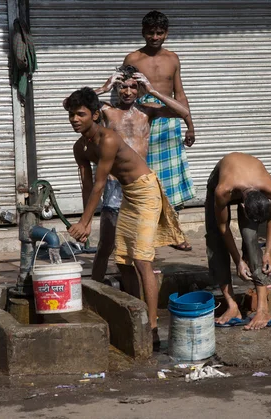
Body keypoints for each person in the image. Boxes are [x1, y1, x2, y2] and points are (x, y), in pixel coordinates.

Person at [64, 87, 186, 348]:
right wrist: (85, 222)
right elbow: (87, 186)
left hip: (144, 190)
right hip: (127, 193)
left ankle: (152, 328)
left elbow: (99, 185)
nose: (75, 119)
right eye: (72, 115)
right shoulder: (80, 147)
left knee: (142, 259)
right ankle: (135, 312)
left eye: (80, 114)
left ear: (96, 115)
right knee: (123, 259)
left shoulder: (107, 139)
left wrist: (85, 222)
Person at [89, 65, 191, 283]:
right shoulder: (106, 110)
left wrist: (152, 90)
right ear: (116, 88)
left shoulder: (146, 110)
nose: (127, 92)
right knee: (106, 245)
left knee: (139, 252)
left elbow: (182, 112)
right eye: (122, 87)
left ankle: (138, 296)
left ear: (139, 89)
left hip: (140, 187)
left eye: (133, 87)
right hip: (113, 185)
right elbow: (69, 104)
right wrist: (102, 88)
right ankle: (95, 289)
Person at [123, 10, 195, 251]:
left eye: (159, 33)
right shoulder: (132, 59)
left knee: (171, 181)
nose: (155, 37)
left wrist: (190, 125)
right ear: (143, 32)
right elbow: (123, 92)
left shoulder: (173, 59)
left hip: (168, 121)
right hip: (142, 119)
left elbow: (180, 94)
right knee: (144, 177)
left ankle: (175, 233)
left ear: (166, 33)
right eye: (150, 32)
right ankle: (147, 234)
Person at [207, 153, 271, 330]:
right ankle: (232, 306)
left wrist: (269, 253)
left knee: (250, 236)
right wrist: (238, 261)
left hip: (250, 181)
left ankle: (263, 309)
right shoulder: (222, 190)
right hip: (221, 177)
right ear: (242, 206)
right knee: (215, 240)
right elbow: (223, 227)